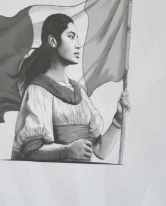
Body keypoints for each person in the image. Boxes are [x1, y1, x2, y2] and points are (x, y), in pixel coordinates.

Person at [10, 13, 129, 162]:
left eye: (77, 38)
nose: (78, 44)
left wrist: (118, 118)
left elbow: (100, 151)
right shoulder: (38, 90)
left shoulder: (78, 91)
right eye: (71, 37)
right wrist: (65, 151)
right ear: (53, 41)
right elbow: (31, 151)